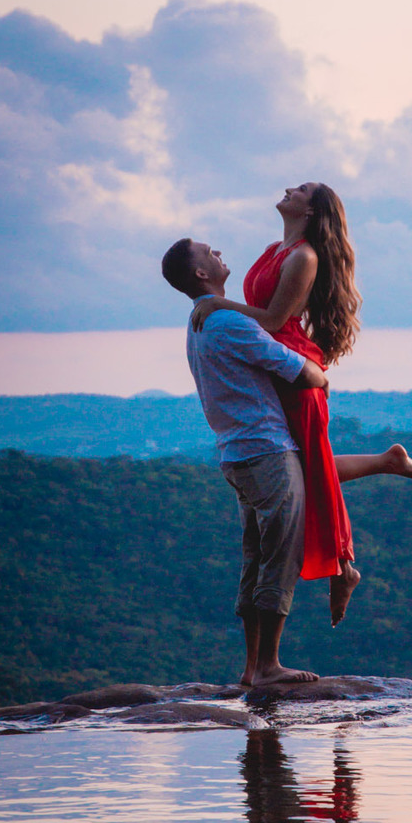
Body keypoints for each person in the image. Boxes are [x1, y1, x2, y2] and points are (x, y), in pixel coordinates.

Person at [189, 183, 412, 626]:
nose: (288, 188)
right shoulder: (272, 249)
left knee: (305, 469)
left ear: (311, 209)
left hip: (294, 370)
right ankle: (372, 496)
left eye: (300, 189)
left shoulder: (304, 256)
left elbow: (273, 321)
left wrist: (215, 303)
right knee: (303, 468)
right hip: (273, 364)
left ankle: (344, 563)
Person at [161, 235, 323, 688]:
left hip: (236, 453)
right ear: (201, 273)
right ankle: (270, 666)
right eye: (208, 251)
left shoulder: (200, 323)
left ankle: (252, 668)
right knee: (279, 555)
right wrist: (320, 376)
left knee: (254, 558)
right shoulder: (228, 322)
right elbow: (297, 369)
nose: (217, 250)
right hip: (266, 449)